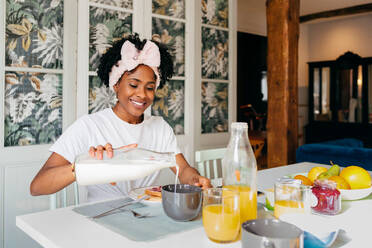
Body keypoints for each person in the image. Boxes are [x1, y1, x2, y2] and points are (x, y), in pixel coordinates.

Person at [30, 34, 211, 203]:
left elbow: (183, 169)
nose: (142, 94)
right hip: (101, 220)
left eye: (149, 87)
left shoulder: (159, 127)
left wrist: (195, 180)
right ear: (116, 84)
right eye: (133, 84)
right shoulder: (90, 126)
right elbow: (37, 186)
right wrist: (86, 166)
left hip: (146, 217)